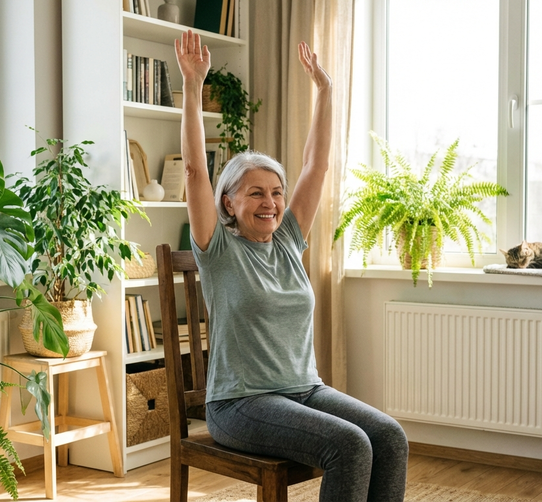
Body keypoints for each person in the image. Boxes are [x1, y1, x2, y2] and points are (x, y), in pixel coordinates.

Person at [174, 30, 409, 501]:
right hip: (240, 403)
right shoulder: (217, 248)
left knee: (389, 437)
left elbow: (316, 167)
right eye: (256, 192)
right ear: (228, 202)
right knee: (349, 445)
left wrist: (325, 91)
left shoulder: (287, 242)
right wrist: (194, 86)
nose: (271, 202)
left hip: (304, 390)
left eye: (277, 192)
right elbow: (196, 170)